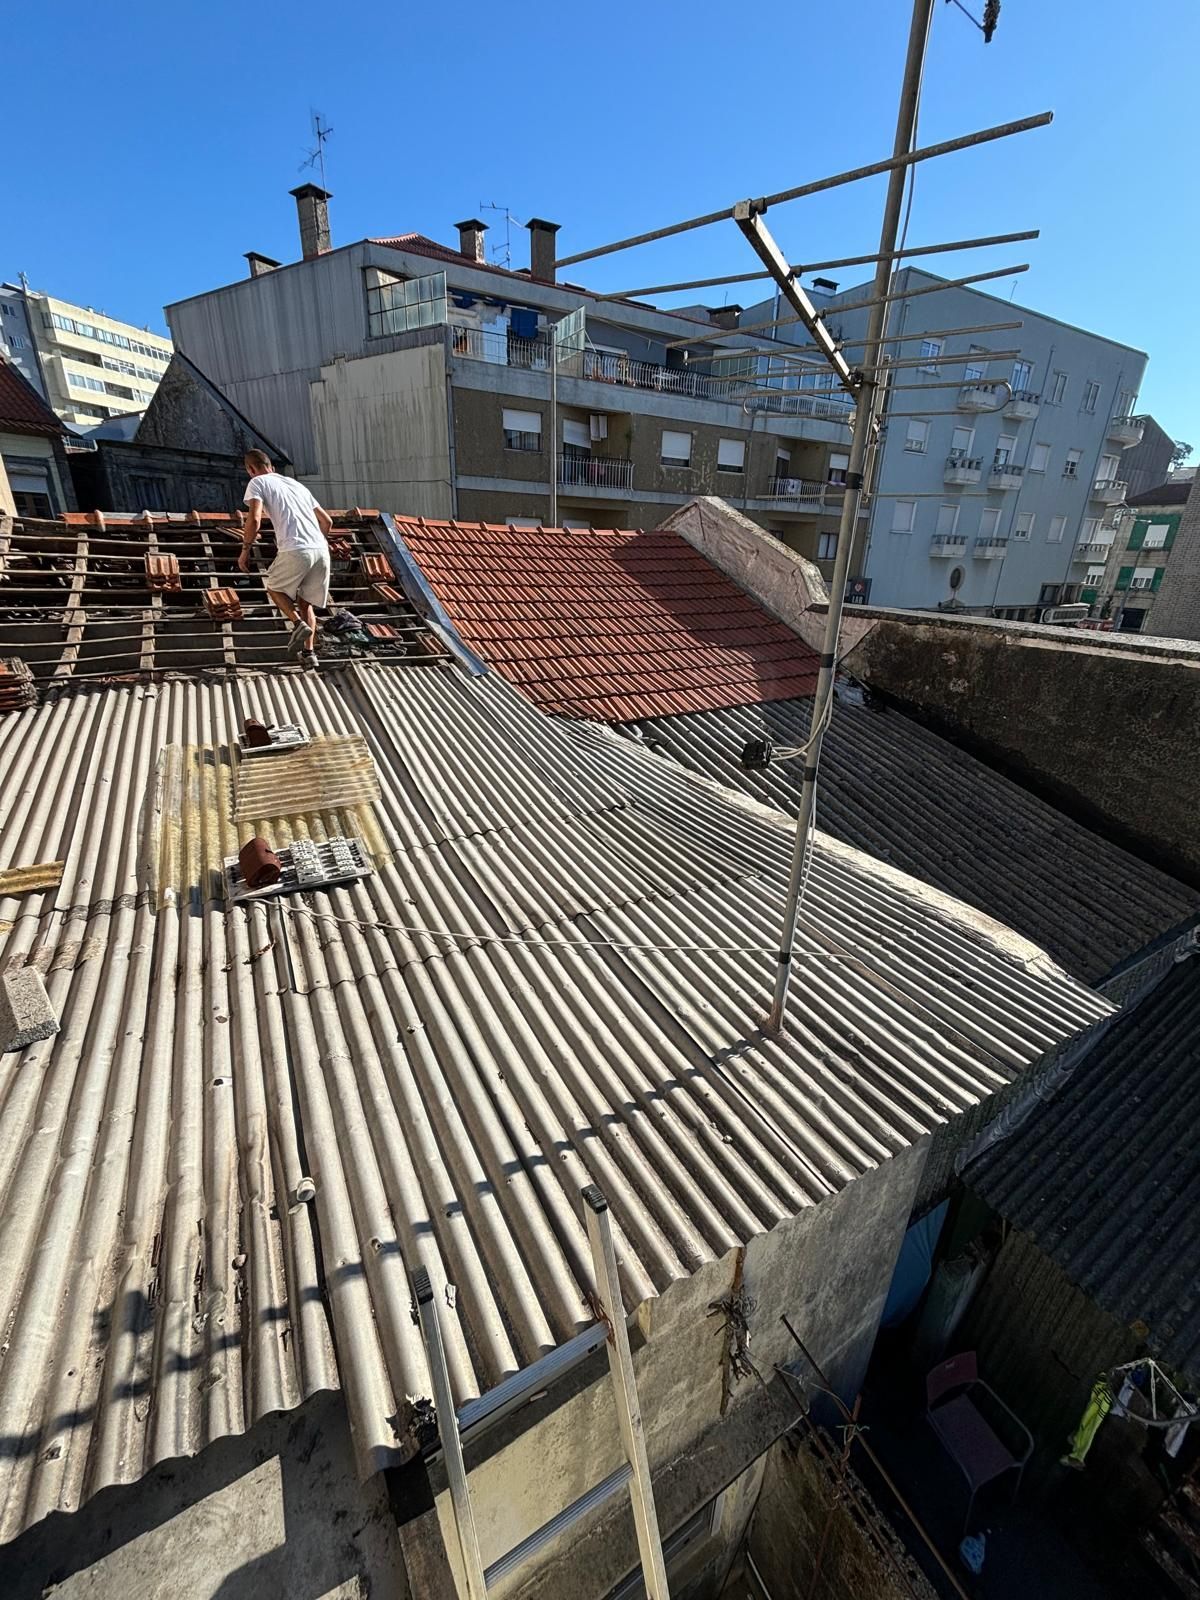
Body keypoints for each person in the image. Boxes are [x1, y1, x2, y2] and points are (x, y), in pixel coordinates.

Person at [239, 450, 333, 659]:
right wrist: (319, 543)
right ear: (271, 465)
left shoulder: (257, 482)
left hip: (295, 548)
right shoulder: (297, 485)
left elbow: (254, 520)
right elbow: (327, 522)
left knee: (274, 587)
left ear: (251, 469)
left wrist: (245, 550)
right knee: (305, 602)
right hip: (321, 550)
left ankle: (297, 623)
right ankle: (309, 654)